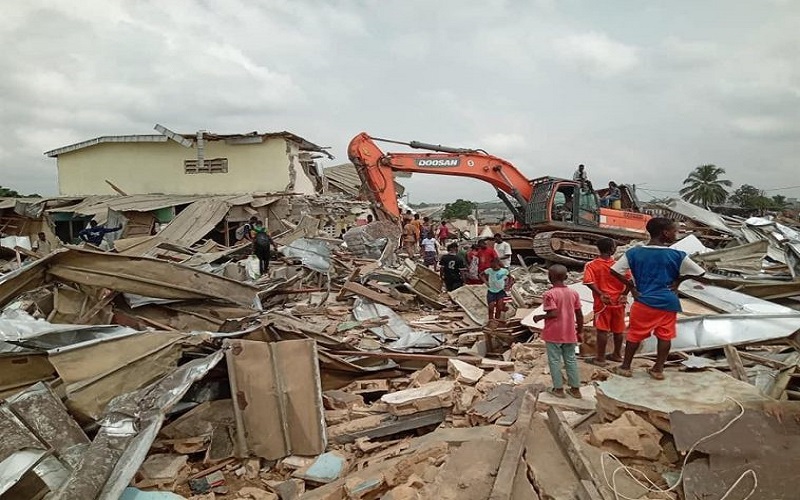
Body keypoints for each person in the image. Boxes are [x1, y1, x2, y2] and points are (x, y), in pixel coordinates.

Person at [610, 217, 706, 380]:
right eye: (675, 231)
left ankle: (626, 366)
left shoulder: (634, 252)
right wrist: (678, 281)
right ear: (665, 233)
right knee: (665, 335)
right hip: (668, 301)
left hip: (644, 300)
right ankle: (658, 369)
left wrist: (632, 287)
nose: (676, 234)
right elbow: (700, 272)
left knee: (635, 334)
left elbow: (614, 271)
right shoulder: (678, 255)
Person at [533, 264, 584, 399]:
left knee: (555, 360)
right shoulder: (573, 293)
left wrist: (539, 317)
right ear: (567, 277)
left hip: (554, 333)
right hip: (569, 332)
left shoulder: (549, 294)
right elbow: (579, 313)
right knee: (571, 359)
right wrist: (580, 330)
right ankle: (575, 389)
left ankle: (558, 389)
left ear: (549, 278)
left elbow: (553, 313)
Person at [583, 238, 629, 366]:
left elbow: (588, 281)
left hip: (602, 303)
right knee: (618, 330)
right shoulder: (619, 265)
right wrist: (624, 294)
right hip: (618, 302)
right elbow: (630, 281)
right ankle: (617, 354)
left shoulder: (591, 265)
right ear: (612, 250)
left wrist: (601, 293)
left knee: (602, 330)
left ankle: (601, 358)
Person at [482, 257, 514, 323]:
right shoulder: (489, 270)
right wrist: (486, 281)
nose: (494, 269)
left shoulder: (504, 271)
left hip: (500, 291)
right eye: (492, 267)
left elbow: (511, 277)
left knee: (499, 307)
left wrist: (508, 285)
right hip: (491, 291)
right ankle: (490, 320)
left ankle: (497, 320)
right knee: (491, 307)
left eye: (495, 267)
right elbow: (481, 274)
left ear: (498, 264)